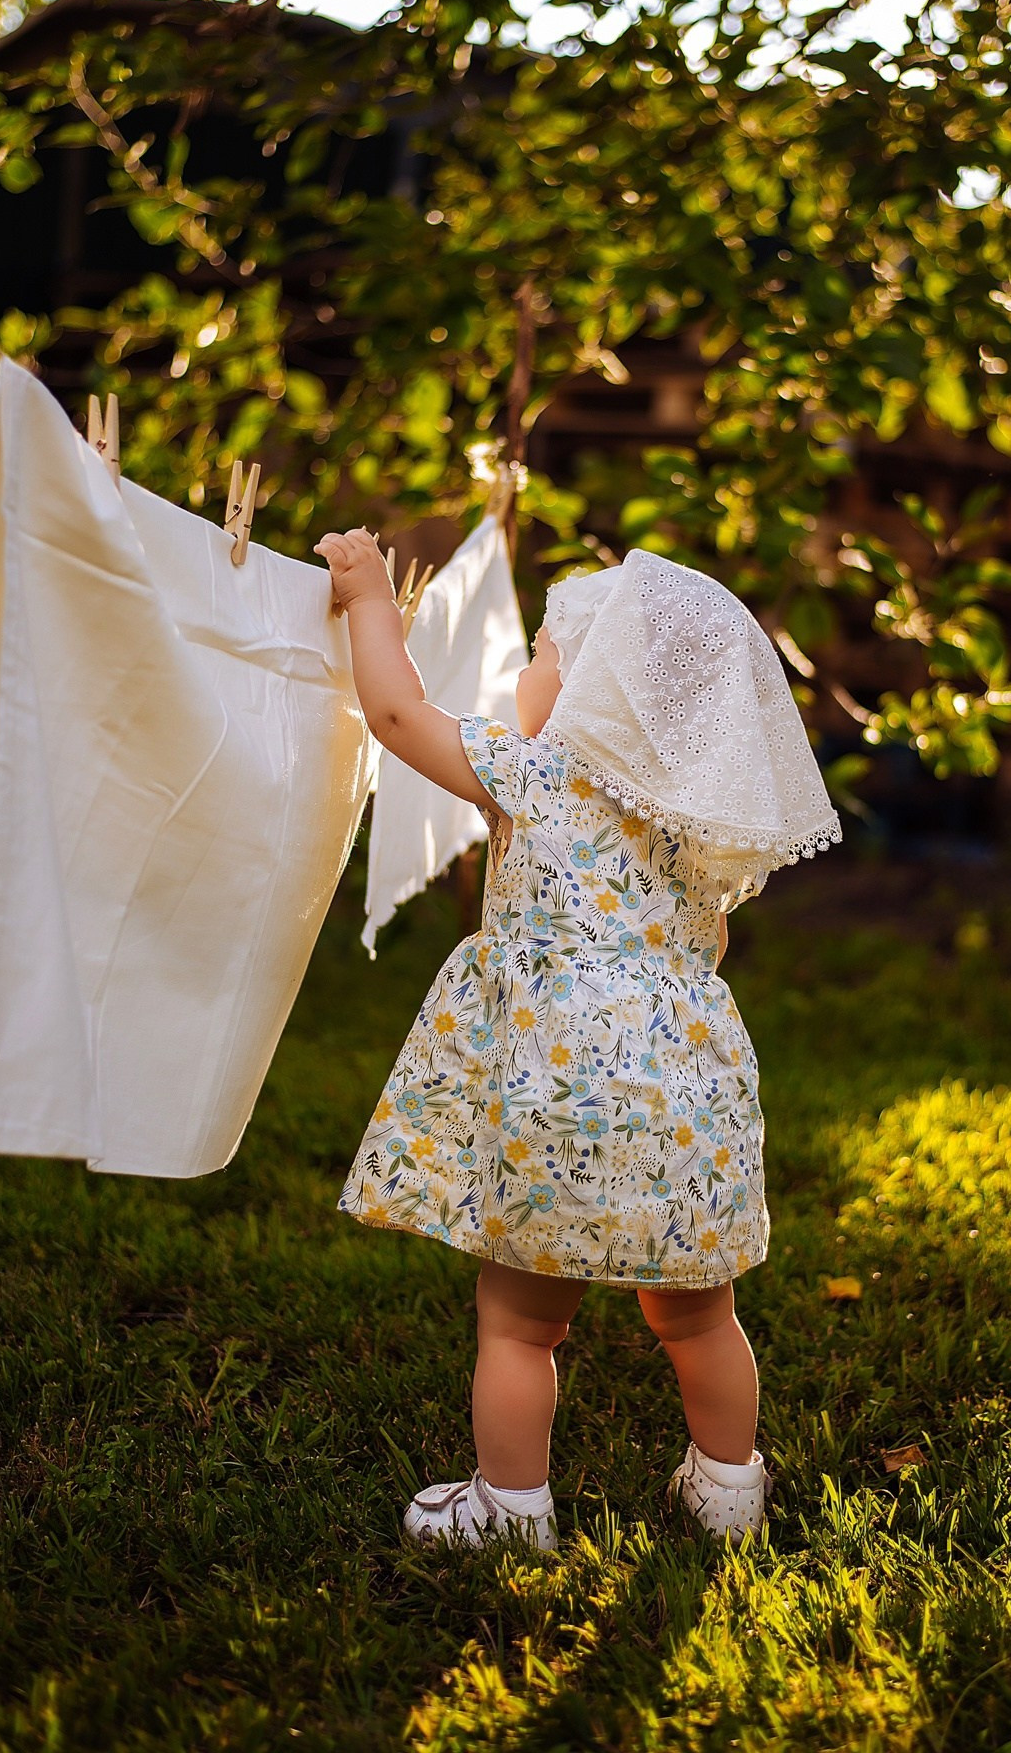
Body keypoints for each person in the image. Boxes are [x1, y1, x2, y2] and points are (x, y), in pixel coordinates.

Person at [315, 528, 842, 1549]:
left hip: (558, 1114)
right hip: (684, 1112)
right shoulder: (695, 830)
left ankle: (511, 1508)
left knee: (519, 1323)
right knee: (698, 1317)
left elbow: (393, 711)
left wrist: (368, 595)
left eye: (542, 656)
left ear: (599, 693)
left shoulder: (536, 774)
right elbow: (706, 949)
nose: (522, 672)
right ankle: (728, 1489)